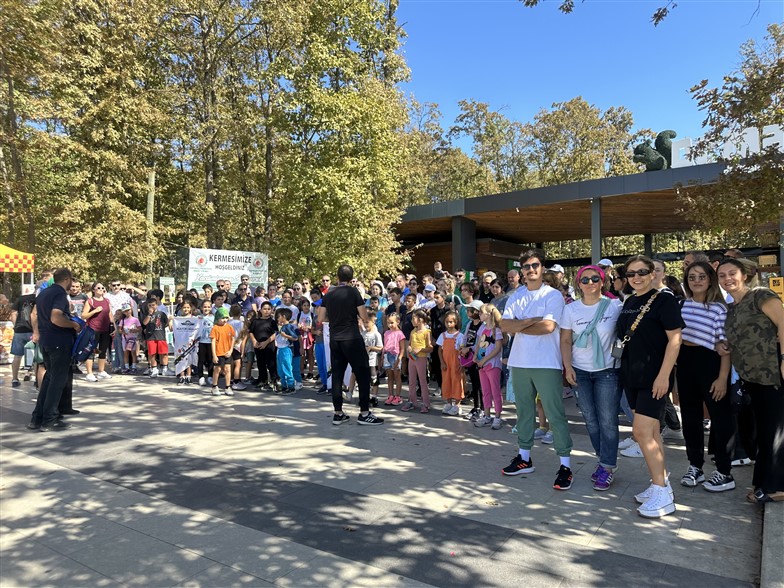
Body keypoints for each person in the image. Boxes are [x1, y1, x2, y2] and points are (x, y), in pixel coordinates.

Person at [618, 255, 684, 518]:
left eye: (642, 272)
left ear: (652, 273)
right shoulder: (630, 301)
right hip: (632, 375)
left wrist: (664, 376)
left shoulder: (664, 300)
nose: (636, 277)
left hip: (654, 377)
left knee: (641, 432)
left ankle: (662, 493)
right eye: (631, 273)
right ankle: (661, 482)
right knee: (653, 433)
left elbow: (675, 339)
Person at [500, 249, 572, 491]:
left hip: (546, 363)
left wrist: (519, 325)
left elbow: (548, 327)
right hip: (519, 362)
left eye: (535, 265)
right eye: (526, 266)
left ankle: (565, 466)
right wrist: (531, 320)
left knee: (555, 414)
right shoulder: (516, 296)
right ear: (522, 270)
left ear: (542, 268)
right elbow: (505, 325)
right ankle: (524, 458)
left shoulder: (553, 295)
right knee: (524, 413)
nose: (531, 269)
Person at [718, 257, 784, 503]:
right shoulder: (732, 308)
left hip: (773, 374)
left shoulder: (760, 296)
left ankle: (776, 487)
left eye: (732, 273)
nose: (727, 279)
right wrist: (724, 345)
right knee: (764, 432)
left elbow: (783, 323)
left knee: (775, 432)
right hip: (752, 379)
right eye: (722, 275)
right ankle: (764, 482)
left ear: (744, 274)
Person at [560, 265, 622, 491]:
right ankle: (604, 460)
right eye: (584, 280)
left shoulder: (614, 306)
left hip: (608, 371)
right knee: (590, 420)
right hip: (580, 370)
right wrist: (567, 367)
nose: (590, 283)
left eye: (595, 278)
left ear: (602, 281)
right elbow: (565, 340)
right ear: (578, 284)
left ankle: (607, 466)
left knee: (607, 420)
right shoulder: (571, 309)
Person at [677, 261, 735, 492]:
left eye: (701, 276)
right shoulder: (681, 305)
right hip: (685, 363)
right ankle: (695, 466)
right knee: (690, 418)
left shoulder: (719, 309)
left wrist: (722, 378)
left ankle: (724, 471)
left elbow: (725, 346)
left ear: (710, 279)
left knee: (720, 419)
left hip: (711, 363)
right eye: (692, 277)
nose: (697, 281)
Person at [319, 264, 384, 426]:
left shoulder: (329, 293)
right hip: (352, 338)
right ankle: (364, 413)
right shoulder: (353, 292)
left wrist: (335, 319)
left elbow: (320, 318)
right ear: (351, 278)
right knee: (363, 374)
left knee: (337, 376)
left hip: (335, 339)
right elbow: (364, 316)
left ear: (337, 277)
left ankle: (338, 413)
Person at [29, 268, 81, 432]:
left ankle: (37, 418)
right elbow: (56, 317)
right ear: (66, 279)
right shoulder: (59, 294)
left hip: (46, 341)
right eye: (71, 280)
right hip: (59, 341)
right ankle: (49, 419)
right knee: (56, 382)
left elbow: (35, 315)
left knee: (49, 380)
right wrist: (73, 324)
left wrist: (37, 333)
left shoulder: (43, 293)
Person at [474, 304, 505, 430]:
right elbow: (478, 343)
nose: (479, 315)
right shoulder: (482, 328)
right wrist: (475, 356)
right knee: (485, 390)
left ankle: (497, 417)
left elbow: (497, 348)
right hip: (481, 365)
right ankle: (487, 415)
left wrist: (485, 360)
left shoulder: (496, 330)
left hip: (493, 364)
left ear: (488, 314)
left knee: (495, 391)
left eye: (481, 312)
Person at [401, 309, 433, 413]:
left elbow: (430, 348)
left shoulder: (427, 332)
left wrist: (421, 349)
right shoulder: (413, 331)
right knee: (411, 381)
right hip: (412, 358)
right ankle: (412, 401)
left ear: (420, 320)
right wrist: (409, 348)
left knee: (422, 381)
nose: (411, 320)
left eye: (413, 318)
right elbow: (410, 344)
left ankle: (426, 404)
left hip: (421, 359)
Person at [82, 282, 113, 382]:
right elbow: (83, 315)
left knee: (102, 350)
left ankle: (101, 371)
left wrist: (114, 327)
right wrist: (94, 311)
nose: (101, 289)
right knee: (91, 350)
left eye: (102, 288)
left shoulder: (107, 301)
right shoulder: (90, 301)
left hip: (105, 329)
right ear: (93, 290)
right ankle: (89, 373)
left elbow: (110, 314)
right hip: (93, 329)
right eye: (98, 288)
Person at [437, 310, 464, 416]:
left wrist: (461, 364)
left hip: (456, 363)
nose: (448, 324)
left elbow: (462, 352)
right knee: (446, 382)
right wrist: (442, 362)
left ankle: (457, 404)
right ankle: (448, 402)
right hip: (446, 364)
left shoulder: (460, 336)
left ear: (455, 322)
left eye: (451, 322)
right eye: (447, 322)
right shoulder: (443, 335)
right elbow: (440, 350)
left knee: (457, 382)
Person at [250, 301, 278, 391]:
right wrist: (254, 341)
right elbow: (251, 332)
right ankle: (262, 380)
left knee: (271, 364)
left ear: (271, 310)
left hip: (269, 346)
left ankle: (274, 380)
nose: (266, 311)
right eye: (264, 309)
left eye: (269, 309)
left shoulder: (272, 322)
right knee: (260, 363)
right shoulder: (255, 321)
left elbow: (275, 333)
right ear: (260, 310)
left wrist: (266, 342)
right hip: (258, 345)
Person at [9, 291, 35, 387]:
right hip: (32, 330)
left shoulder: (20, 298)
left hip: (19, 330)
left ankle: (15, 379)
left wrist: (15, 326)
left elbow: (13, 313)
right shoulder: (38, 299)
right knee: (32, 354)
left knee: (17, 356)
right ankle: (30, 375)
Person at [210, 307, 235, 396]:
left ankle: (228, 387)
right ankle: (214, 386)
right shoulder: (215, 328)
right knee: (218, 369)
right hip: (218, 352)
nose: (225, 320)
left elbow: (233, 339)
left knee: (228, 369)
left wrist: (231, 350)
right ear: (218, 318)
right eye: (222, 318)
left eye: (226, 318)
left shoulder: (230, 327)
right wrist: (214, 355)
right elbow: (213, 342)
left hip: (227, 352)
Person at [142, 297, 169, 378]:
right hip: (151, 337)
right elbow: (144, 323)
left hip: (160, 336)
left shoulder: (161, 314)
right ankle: (154, 368)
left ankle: (165, 368)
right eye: (149, 305)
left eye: (153, 305)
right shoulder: (146, 314)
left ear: (157, 305)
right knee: (152, 353)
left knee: (164, 353)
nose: (152, 307)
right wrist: (149, 315)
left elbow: (166, 323)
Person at [383, 313, 406, 405]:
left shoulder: (400, 334)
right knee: (390, 376)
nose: (390, 325)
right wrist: (383, 356)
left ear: (398, 322)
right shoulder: (386, 333)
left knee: (397, 376)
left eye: (392, 323)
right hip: (387, 355)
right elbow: (385, 345)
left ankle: (398, 396)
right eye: (388, 323)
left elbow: (402, 348)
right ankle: (390, 395)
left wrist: (399, 358)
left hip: (395, 355)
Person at [274, 307, 298, 394]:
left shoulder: (288, 326)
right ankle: (284, 386)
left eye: (279, 316)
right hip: (280, 349)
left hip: (286, 349)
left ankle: (291, 387)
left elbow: (295, 337)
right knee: (280, 368)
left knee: (287, 368)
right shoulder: (282, 326)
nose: (278, 318)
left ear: (284, 316)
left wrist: (285, 336)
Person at [118, 303, 141, 374]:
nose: (127, 312)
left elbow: (139, 328)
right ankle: (127, 367)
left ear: (131, 310)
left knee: (133, 352)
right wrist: (123, 332)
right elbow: (119, 330)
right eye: (125, 311)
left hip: (133, 338)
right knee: (126, 353)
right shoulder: (123, 320)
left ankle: (134, 367)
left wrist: (134, 330)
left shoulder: (135, 319)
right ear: (123, 312)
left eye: (128, 310)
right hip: (125, 339)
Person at [196, 300, 215, 386]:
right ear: (201, 308)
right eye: (204, 307)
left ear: (211, 308)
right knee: (201, 360)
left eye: (208, 307)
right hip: (201, 342)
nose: (206, 309)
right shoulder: (198, 317)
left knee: (211, 360)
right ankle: (201, 377)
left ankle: (210, 376)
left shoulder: (214, 318)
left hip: (211, 342)